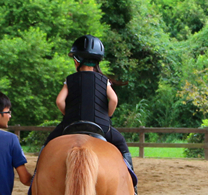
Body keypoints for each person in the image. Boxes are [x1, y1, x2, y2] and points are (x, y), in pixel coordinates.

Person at [41, 35, 136, 187]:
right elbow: (114, 100)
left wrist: (68, 114)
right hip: (101, 126)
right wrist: (108, 115)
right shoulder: (103, 80)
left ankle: (35, 181)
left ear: (77, 60)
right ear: (97, 61)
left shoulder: (70, 79)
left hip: (71, 125)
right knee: (121, 144)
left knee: (46, 147)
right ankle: (133, 185)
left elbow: (59, 101)